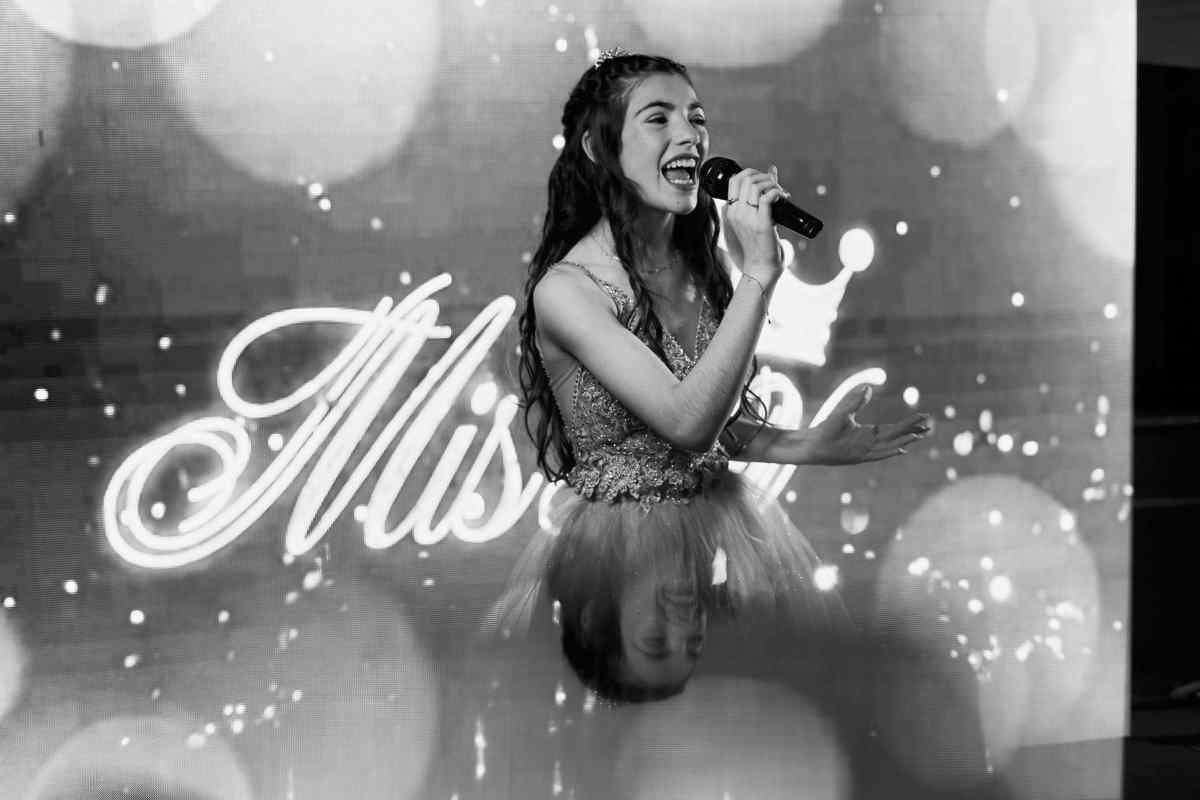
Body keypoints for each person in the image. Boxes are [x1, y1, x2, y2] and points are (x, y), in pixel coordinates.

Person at [495, 49, 932, 703]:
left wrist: (803, 445)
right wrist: (760, 272)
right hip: (622, 550)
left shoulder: (701, 265)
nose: (689, 136)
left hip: (699, 521)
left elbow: (707, 417)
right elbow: (685, 421)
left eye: (695, 118)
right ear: (596, 147)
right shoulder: (569, 290)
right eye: (658, 118)